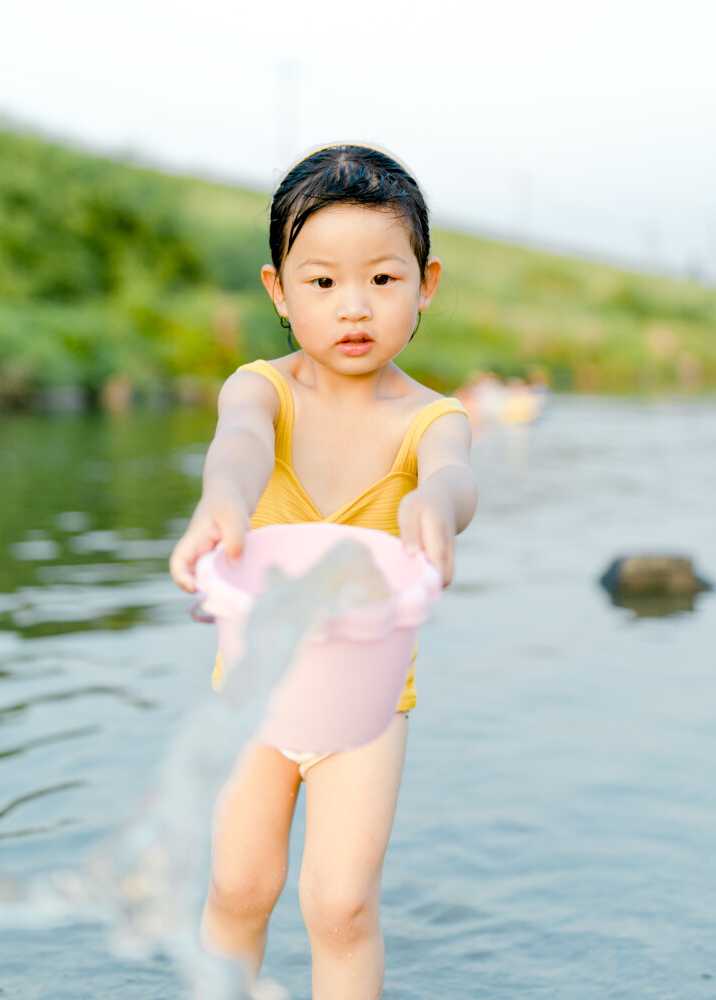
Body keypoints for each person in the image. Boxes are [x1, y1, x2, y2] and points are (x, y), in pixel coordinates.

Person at [170, 144, 478, 1000]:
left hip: (367, 706)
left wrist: (435, 508)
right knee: (238, 888)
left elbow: (455, 476)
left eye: (383, 280)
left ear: (426, 284)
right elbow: (235, 448)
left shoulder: (429, 418)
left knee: (339, 908)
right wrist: (219, 501)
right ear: (278, 290)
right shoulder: (262, 390)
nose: (354, 308)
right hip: (255, 694)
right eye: (322, 282)